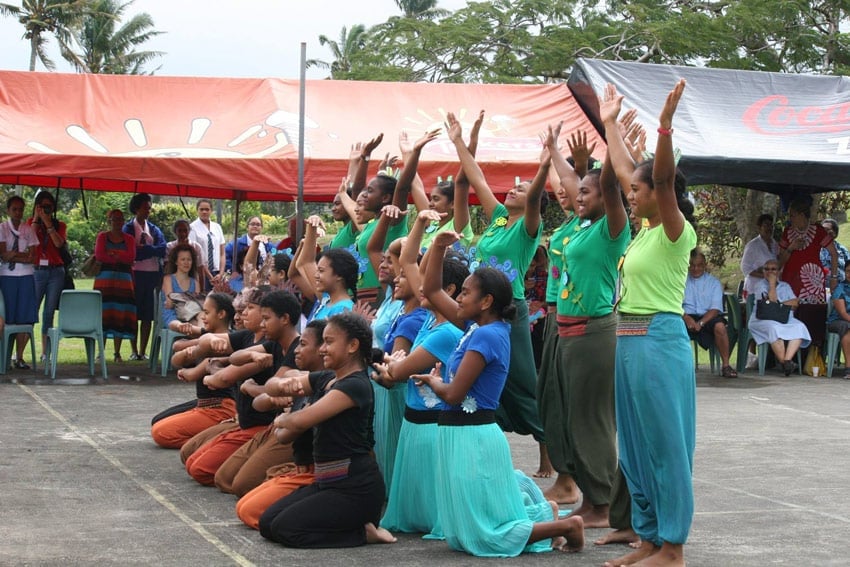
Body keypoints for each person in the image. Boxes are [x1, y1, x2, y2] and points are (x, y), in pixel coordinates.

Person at [413, 264, 584, 557]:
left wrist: (434, 382)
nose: (460, 299)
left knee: (484, 536)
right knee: (463, 535)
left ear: (487, 301)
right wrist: (438, 246)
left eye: (466, 293)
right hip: (460, 435)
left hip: (472, 437)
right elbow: (430, 290)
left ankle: (567, 527)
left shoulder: (486, 335)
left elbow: (454, 395)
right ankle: (544, 515)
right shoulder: (477, 328)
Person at [604, 79, 697, 567]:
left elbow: (658, 181)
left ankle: (673, 547)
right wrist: (609, 122)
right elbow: (627, 170)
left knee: (665, 445)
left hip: (660, 340)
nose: (630, 195)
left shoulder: (676, 232)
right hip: (628, 341)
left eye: (636, 191)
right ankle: (648, 538)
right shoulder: (642, 232)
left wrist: (663, 126)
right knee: (634, 447)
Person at [446, 109, 552, 477]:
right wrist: (461, 141)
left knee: (525, 381)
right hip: (479, 310)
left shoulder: (526, 230)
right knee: (481, 376)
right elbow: (474, 178)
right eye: (514, 186)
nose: (514, 189)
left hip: (510, 311)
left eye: (521, 190)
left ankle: (550, 456)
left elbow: (536, 197)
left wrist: (543, 167)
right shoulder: (499, 220)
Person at [259, 311, 394, 548]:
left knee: (286, 529)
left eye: (329, 342)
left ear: (353, 346)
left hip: (355, 489)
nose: (322, 349)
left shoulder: (356, 385)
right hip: (326, 482)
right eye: (322, 342)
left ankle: (362, 534)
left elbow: (300, 421)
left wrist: (283, 418)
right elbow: (271, 387)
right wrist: (282, 383)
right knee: (268, 523)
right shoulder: (326, 378)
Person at [151, 293, 236, 449]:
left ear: (221, 314)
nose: (203, 317)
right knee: (157, 422)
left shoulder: (223, 343)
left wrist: (192, 352)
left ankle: (214, 439)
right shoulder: (207, 335)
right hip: (204, 404)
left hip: (220, 408)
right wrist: (192, 345)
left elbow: (191, 374)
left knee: (161, 433)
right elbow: (176, 355)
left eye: (207, 313)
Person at [778, 198, 837, 347]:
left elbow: (834, 253)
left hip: (813, 282)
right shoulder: (787, 232)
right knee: (791, 314)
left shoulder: (818, 231)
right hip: (791, 279)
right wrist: (791, 247)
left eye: (792, 215)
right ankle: (789, 354)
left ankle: (812, 356)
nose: (790, 219)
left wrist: (834, 277)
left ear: (802, 215)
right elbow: (780, 261)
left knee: (813, 316)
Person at [749, 259, 811, 376]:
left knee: (799, 327)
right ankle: (785, 364)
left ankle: (787, 361)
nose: (770, 272)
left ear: (779, 271)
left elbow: (795, 303)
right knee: (774, 329)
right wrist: (772, 285)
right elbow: (772, 303)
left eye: (773, 269)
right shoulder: (760, 285)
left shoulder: (785, 286)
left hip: (784, 318)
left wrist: (779, 304)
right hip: (763, 319)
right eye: (766, 269)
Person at [124, 192, 166, 361]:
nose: (148, 211)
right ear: (136, 209)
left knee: (148, 314)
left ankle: (143, 350)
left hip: (152, 275)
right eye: (145, 208)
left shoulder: (154, 229)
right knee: (134, 314)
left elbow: (162, 249)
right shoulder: (128, 228)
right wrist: (149, 250)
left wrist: (143, 250)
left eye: (150, 208)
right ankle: (134, 350)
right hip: (134, 275)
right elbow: (131, 252)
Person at [27, 191, 68, 363]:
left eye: (49, 206)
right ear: (37, 207)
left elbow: (59, 243)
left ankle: (46, 353)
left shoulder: (59, 225)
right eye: (42, 206)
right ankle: (21, 351)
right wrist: (37, 219)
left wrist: (48, 223)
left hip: (55, 271)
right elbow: (28, 240)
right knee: (31, 310)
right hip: (37, 270)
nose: (46, 209)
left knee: (49, 313)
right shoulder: (31, 223)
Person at [683, 250, 737, 377]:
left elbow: (715, 309)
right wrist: (686, 318)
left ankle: (726, 366)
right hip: (686, 315)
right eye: (692, 265)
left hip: (708, 316)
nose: (696, 268)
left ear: (705, 265)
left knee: (720, 327)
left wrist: (701, 323)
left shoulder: (714, 283)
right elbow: (674, 305)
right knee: (672, 325)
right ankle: (677, 367)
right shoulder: (681, 281)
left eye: (699, 265)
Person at [0, 195, 38, 369]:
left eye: (21, 209)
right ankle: (4, 357)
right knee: (7, 317)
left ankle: (20, 356)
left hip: (26, 277)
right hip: (7, 276)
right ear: (8, 210)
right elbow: (3, 254)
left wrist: (14, 255)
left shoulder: (28, 229)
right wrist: (20, 255)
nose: (17, 212)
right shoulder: (2, 228)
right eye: (14, 209)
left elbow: (33, 257)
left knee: (25, 317)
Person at [95, 209, 137, 361]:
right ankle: (101, 351)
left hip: (124, 282)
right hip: (104, 282)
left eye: (120, 219)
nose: (118, 222)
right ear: (109, 221)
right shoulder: (102, 237)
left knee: (121, 314)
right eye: (115, 219)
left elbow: (131, 257)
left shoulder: (129, 239)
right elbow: (100, 255)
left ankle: (117, 352)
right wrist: (120, 256)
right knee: (103, 315)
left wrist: (112, 254)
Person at [161, 244, 200, 329]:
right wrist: (188, 300)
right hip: (171, 315)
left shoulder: (195, 282)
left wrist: (177, 299)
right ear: (176, 262)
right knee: (181, 325)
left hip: (190, 315)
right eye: (183, 259)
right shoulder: (168, 279)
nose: (186, 262)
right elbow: (170, 304)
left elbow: (198, 305)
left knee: (201, 324)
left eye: (189, 259)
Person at [189, 198, 225, 290]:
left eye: (207, 209)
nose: (204, 212)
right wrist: (209, 276)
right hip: (201, 272)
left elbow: (222, 253)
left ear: (211, 211)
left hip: (217, 272)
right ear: (197, 210)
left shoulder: (217, 227)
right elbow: (195, 255)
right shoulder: (192, 228)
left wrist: (221, 273)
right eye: (201, 209)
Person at [740, 214, 778, 298]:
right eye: (766, 225)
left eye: (771, 225)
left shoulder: (774, 244)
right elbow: (745, 268)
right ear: (759, 227)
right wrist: (764, 275)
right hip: (754, 289)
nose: (769, 228)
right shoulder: (753, 245)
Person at [827, 263, 850, 379]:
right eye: (848, 271)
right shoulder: (840, 289)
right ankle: (848, 368)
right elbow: (843, 313)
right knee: (847, 327)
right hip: (838, 321)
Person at [820, 218, 850, 283]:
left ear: (835, 233)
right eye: (822, 229)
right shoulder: (815, 249)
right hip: (821, 287)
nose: (824, 232)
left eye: (827, 230)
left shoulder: (842, 250)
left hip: (840, 287)